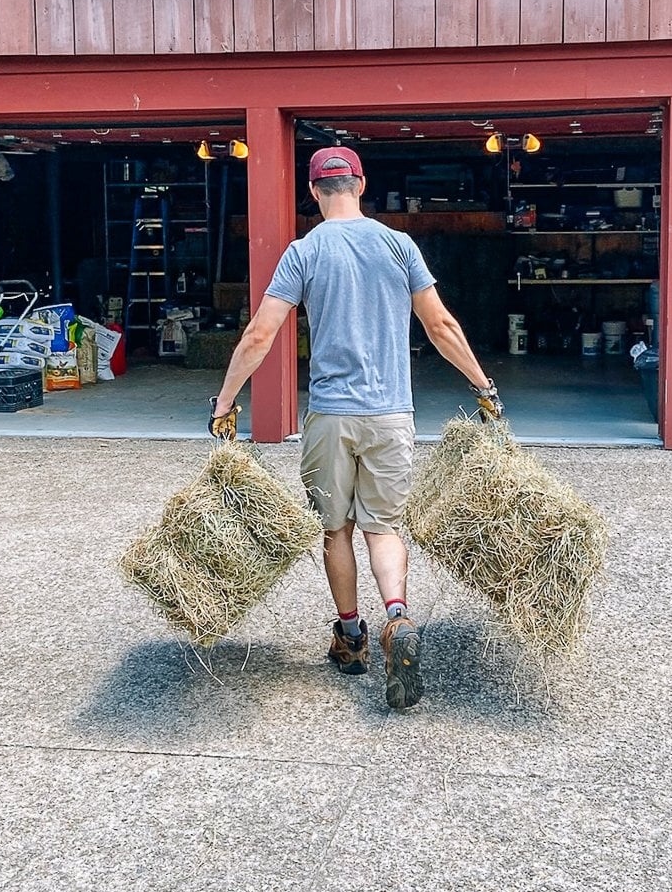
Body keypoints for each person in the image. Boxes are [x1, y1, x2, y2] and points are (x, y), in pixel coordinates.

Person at [208, 146, 503, 710]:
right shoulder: (399, 245)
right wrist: (484, 386)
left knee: (335, 528)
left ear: (315, 192)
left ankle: (350, 637)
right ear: (360, 185)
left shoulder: (305, 251)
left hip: (331, 417)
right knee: (385, 527)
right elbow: (440, 323)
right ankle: (398, 616)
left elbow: (259, 336)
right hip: (392, 414)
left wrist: (224, 404)